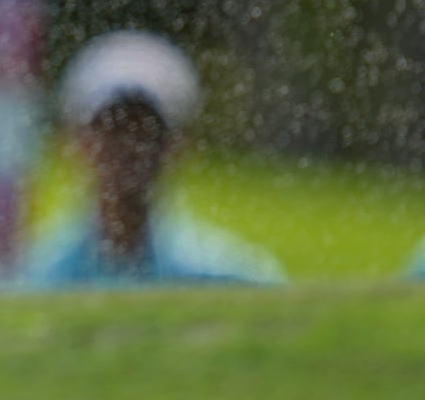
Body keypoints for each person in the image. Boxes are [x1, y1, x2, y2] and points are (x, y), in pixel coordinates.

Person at [22, 31, 286, 287]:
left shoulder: (235, 283)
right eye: (111, 128)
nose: (127, 146)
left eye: (145, 130)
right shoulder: (29, 280)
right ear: (74, 141)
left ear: (178, 145)